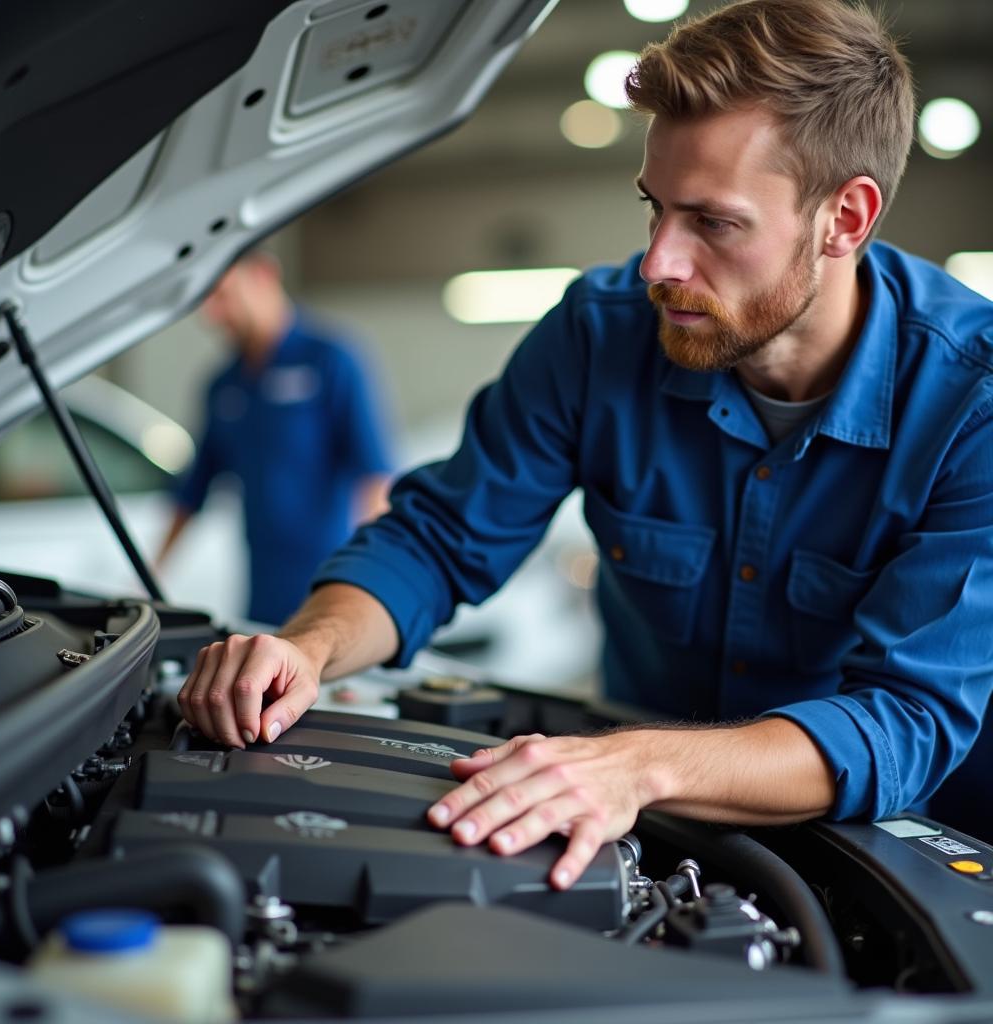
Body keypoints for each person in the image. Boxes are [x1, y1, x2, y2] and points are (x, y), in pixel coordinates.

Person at [177, 0, 993, 884]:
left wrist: (636, 765)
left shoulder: (972, 403)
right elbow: (437, 540)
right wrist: (307, 648)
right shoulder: (599, 337)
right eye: (656, 210)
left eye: (713, 222)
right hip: (634, 832)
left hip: (882, 863)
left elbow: (906, 716)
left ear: (845, 219)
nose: (657, 264)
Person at [157, 251, 392, 625]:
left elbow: (374, 476)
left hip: (330, 589)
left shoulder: (331, 361)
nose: (212, 315)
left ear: (264, 275)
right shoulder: (224, 385)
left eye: (223, 295)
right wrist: (152, 574)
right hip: (263, 591)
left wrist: (370, 584)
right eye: (205, 301)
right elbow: (193, 492)